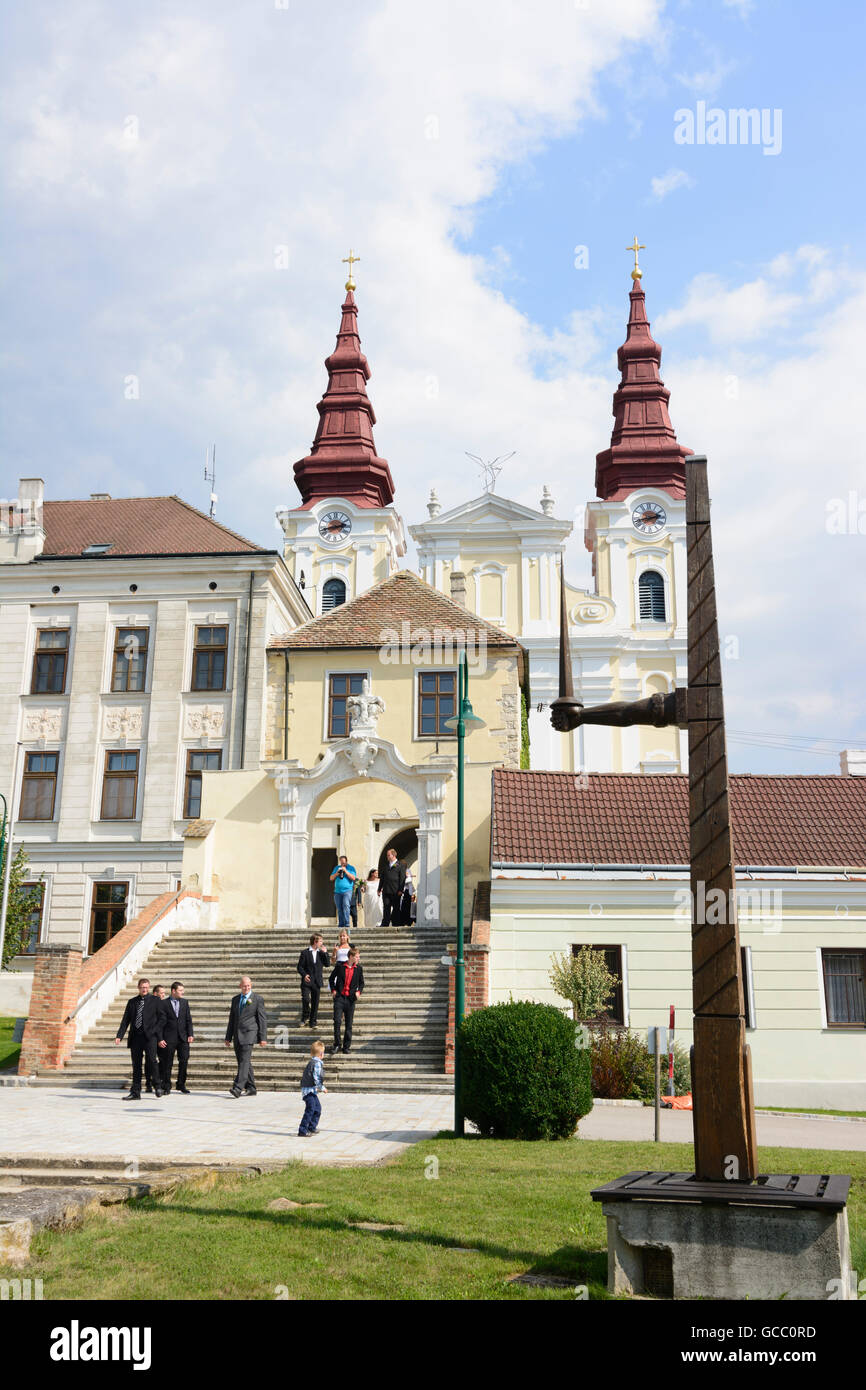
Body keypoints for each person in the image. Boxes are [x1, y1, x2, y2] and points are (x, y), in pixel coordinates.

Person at [115, 978, 166, 1100]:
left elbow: (163, 1018)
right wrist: (119, 1035)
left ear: (149, 988)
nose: (145, 989)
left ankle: (158, 1086)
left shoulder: (155, 1000)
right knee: (136, 1065)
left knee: (152, 1061)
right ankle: (136, 1092)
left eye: (147, 987)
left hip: (150, 1037)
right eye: (142, 987)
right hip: (136, 1038)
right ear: (138, 988)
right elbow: (125, 1020)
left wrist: (154, 1031)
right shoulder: (132, 1002)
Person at [224, 974, 267, 1098]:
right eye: (244, 986)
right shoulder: (235, 999)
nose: (246, 988)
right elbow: (232, 1019)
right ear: (240, 986)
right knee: (243, 1061)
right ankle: (251, 1088)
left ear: (251, 985)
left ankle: (238, 1087)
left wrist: (263, 1037)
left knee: (244, 1061)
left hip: (249, 1033)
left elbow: (262, 1019)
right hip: (237, 1035)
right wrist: (228, 1037)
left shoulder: (257, 999)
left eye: (248, 986)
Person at [329, 945, 364, 1054]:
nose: (358, 959)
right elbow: (331, 978)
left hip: (351, 999)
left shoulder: (359, 968)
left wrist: (359, 992)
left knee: (349, 1024)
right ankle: (337, 1044)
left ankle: (346, 1046)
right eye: (357, 957)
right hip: (340, 997)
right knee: (337, 1021)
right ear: (351, 956)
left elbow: (362, 983)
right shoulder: (340, 966)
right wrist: (333, 990)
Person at [160, 981, 194, 1093]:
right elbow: (159, 1023)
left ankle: (181, 1084)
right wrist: (160, 1038)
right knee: (167, 1063)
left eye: (183, 990)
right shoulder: (164, 1004)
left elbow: (188, 1019)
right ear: (173, 991)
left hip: (183, 1038)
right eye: (180, 990)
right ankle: (166, 1086)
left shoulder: (185, 1002)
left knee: (184, 1061)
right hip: (168, 1038)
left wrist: (190, 1034)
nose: (182, 992)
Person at [296, 933, 329, 1028]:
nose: (322, 943)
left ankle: (313, 1021)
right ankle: (305, 1016)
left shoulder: (321, 953)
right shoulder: (305, 953)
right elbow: (300, 967)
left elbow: (327, 964)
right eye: (321, 941)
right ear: (315, 942)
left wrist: (325, 953)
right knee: (306, 999)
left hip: (317, 981)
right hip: (307, 981)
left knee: (315, 1002)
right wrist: (304, 974)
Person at [298, 1040, 327, 1137]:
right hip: (308, 1091)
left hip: (310, 1090)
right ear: (321, 1054)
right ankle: (302, 1130)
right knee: (310, 1109)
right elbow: (316, 1077)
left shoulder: (312, 1061)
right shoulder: (317, 1063)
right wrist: (322, 1088)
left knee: (317, 1108)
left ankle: (311, 1127)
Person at [378, 847, 407, 927]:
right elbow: (382, 878)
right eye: (387, 855)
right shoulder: (386, 866)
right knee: (386, 907)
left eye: (388, 855)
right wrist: (379, 888)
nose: (387, 857)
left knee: (396, 908)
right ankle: (385, 923)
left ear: (393, 855)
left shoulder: (400, 865)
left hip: (396, 891)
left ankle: (396, 923)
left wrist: (401, 890)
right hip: (386, 891)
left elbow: (402, 878)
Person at [145, 985, 167, 1091]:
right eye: (161, 993)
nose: (163, 995)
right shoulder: (150, 1005)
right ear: (155, 993)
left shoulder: (166, 1004)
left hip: (163, 1038)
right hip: (153, 1037)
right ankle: (148, 1082)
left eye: (164, 993)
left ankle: (159, 1082)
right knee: (150, 1060)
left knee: (162, 1061)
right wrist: (158, 1038)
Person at [329, 855, 357, 931]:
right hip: (337, 891)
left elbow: (353, 878)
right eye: (341, 863)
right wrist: (337, 873)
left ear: (346, 861)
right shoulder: (336, 868)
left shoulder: (351, 868)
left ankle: (347, 924)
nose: (342, 864)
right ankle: (341, 924)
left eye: (344, 863)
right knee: (339, 908)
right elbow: (331, 878)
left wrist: (345, 871)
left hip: (347, 890)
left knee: (346, 905)